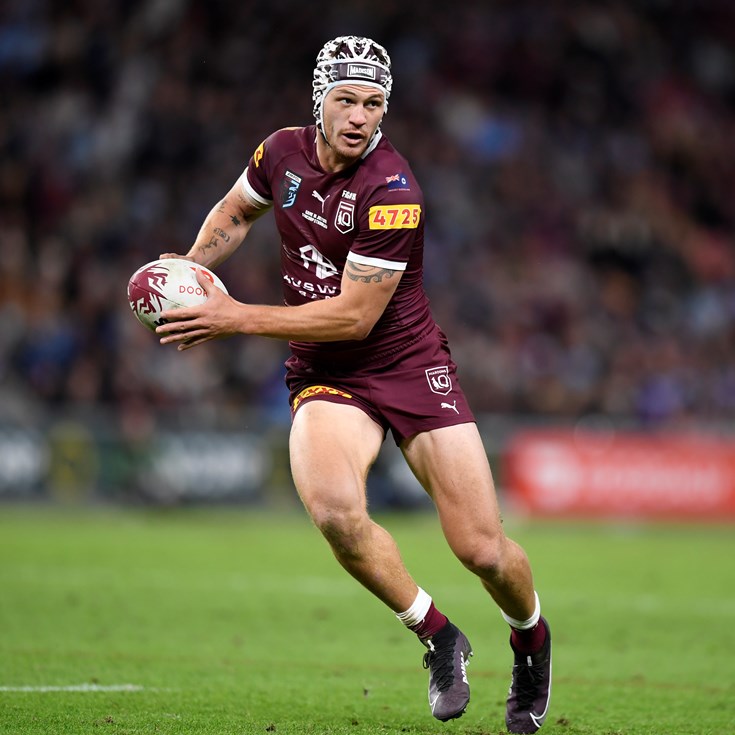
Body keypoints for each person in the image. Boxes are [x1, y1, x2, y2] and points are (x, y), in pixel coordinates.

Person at [156, 35, 552, 733]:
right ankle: (438, 635)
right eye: (346, 100)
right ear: (319, 101)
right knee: (336, 514)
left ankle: (531, 640)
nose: (359, 116)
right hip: (326, 372)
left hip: (407, 366)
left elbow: (353, 316)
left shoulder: (394, 191)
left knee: (481, 549)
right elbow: (235, 213)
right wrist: (190, 273)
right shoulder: (278, 153)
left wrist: (232, 316)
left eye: (373, 103)